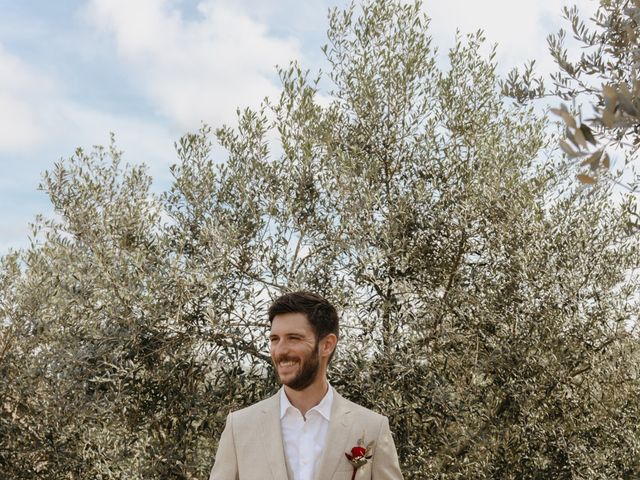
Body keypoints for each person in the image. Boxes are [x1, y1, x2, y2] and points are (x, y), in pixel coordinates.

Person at [209, 291, 403, 480]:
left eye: (294, 338)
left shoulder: (371, 428)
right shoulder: (240, 427)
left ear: (327, 345)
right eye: (274, 339)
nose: (280, 350)